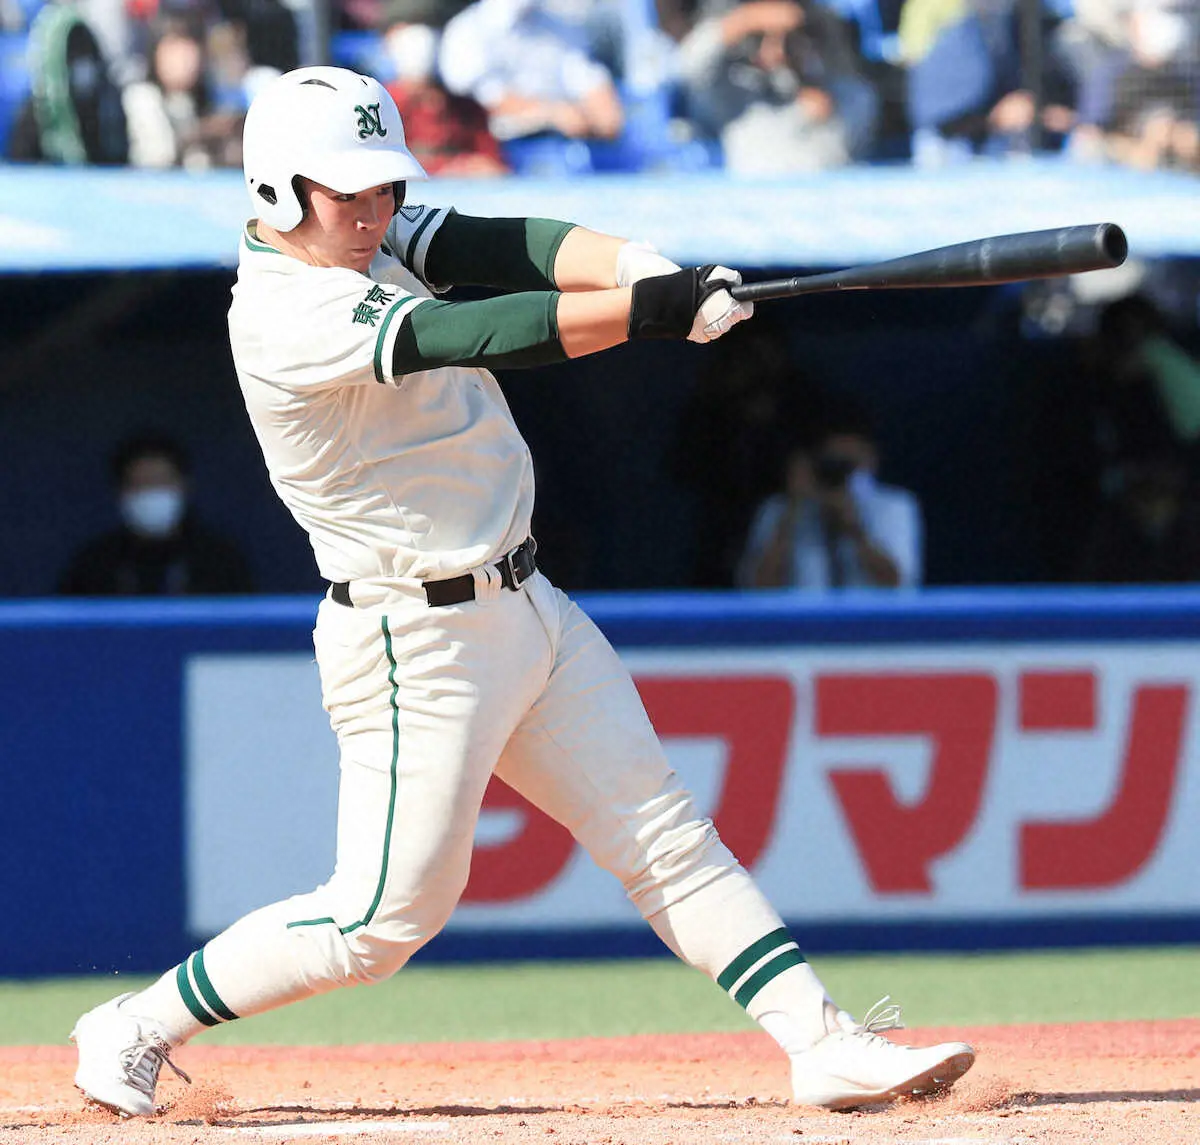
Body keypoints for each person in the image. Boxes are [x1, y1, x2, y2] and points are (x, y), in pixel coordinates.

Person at [69, 65, 973, 1118]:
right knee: (377, 921)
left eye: (384, 187)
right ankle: (133, 1024)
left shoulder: (365, 232)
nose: (373, 210)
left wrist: (639, 265)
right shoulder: (287, 309)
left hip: (526, 600)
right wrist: (648, 312)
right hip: (414, 635)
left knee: (665, 833)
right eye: (347, 190)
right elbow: (474, 330)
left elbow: (503, 246)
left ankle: (821, 1041)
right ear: (278, 188)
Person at [675, 0, 879, 172]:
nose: (777, 49)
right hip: (756, 191)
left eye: (789, 38)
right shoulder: (730, 90)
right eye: (761, 37)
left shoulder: (842, 95)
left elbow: (855, 90)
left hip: (824, 187)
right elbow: (686, 65)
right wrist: (746, 19)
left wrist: (816, 94)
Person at [737, 410, 923, 589]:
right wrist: (792, 510)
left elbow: (898, 584)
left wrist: (855, 530)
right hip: (804, 610)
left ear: (871, 458)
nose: (838, 474)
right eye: (831, 464)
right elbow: (759, 589)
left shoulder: (893, 505)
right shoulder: (778, 509)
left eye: (846, 466)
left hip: (867, 611)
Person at [58, 434, 254, 596]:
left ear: (184, 486)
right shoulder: (95, 565)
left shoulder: (219, 561)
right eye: (141, 484)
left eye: (160, 482)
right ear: (121, 492)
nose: (151, 492)